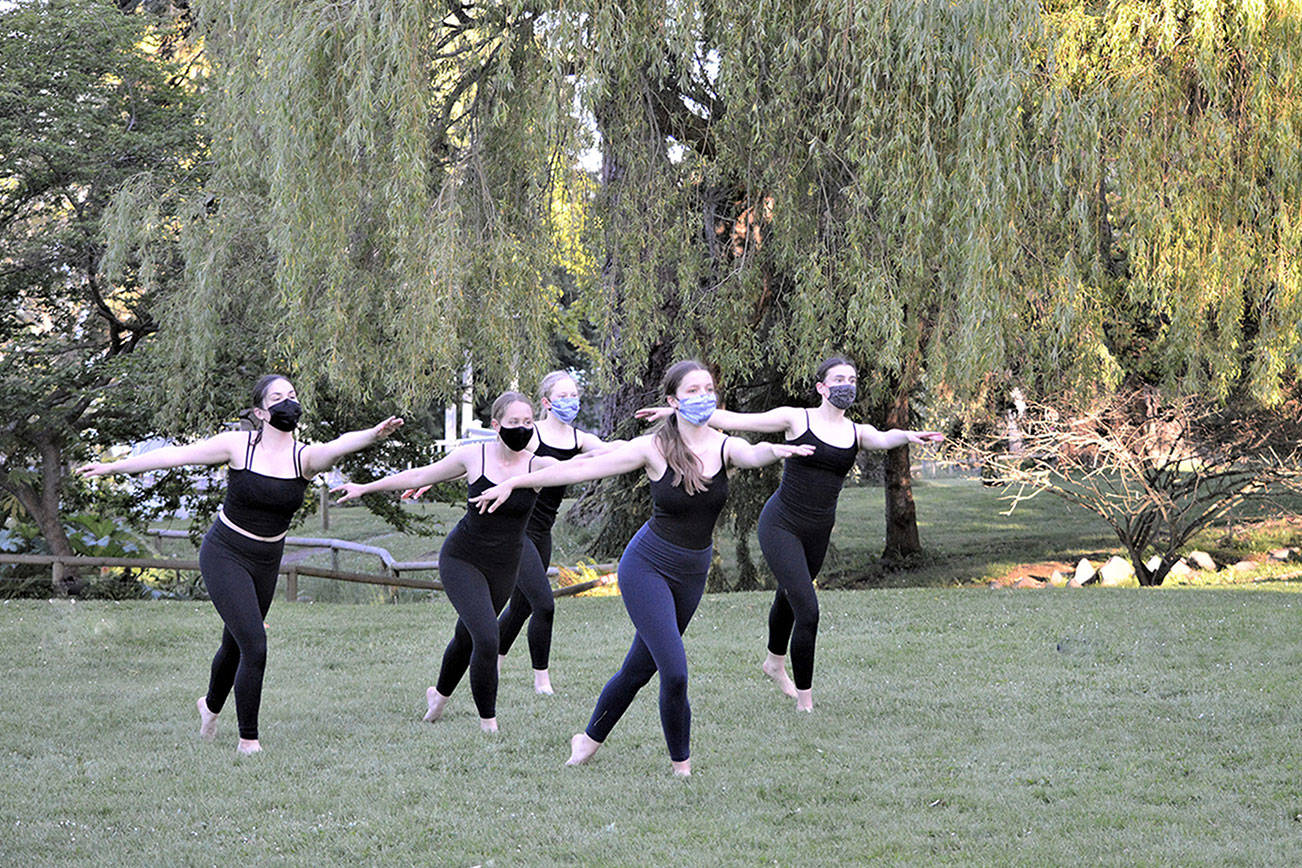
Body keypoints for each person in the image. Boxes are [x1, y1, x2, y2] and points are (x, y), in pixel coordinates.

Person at [472, 360, 814, 776]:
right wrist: (513, 482)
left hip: (692, 572)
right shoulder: (652, 447)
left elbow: (752, 452)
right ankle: (682, 768)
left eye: (709, 389)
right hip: (647, 565)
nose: (704, 396)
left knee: (637, 669)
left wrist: (775, 450)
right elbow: (579, 468)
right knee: (674, 670)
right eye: (692, 391)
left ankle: (589, 739)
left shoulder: (724, 446)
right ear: (673, 401)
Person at [77, 374, 403, 754]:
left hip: (267, 559)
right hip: (225, 552)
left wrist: (373, 434)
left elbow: (338, 446)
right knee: (256, 644)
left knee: (234, 645)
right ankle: (249, 741)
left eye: (293, 396)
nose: (288, 403)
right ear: (260, 412)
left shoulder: (304, 458)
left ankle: (210, 706)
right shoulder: (239, 446)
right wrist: (112, 469)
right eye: (278, 397)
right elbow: (176, 456)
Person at [640, 356, 943, 712]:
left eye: (852, 378)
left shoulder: (856, 431)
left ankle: (773, 662)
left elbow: (882, 438)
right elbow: (737, 420)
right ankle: (805, 699)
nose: (847, 384)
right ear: (821, 387)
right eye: (839, 379)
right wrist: (675, 414)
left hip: (818, 529)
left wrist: (909, 435)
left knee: (789, 594)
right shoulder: (796, 418)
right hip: (781, 524)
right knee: (808, 609)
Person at [333, 391, 550, 733]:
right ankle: (489, 724)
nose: (521, 429)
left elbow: (585, 464)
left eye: (527, 422)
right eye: (513, 423)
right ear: (496, 425)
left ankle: (439, 696)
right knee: (487, 636)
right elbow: (420, 474)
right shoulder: (473, 456)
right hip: (462, 558)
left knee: (466, 637)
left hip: (504, 566)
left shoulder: (538, 465)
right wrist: (365, 487)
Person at [495, 370, 616, 695]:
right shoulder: (529, 434)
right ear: (546, 402)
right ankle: (542, 680)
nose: (570, 402)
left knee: (521, 607)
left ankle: (492, 660)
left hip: (542, 532)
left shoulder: (578, 439)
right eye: (563, 397)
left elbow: (610, 451)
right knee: (544, 604)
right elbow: (496, 460)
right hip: (516, 530)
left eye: (574, 395)